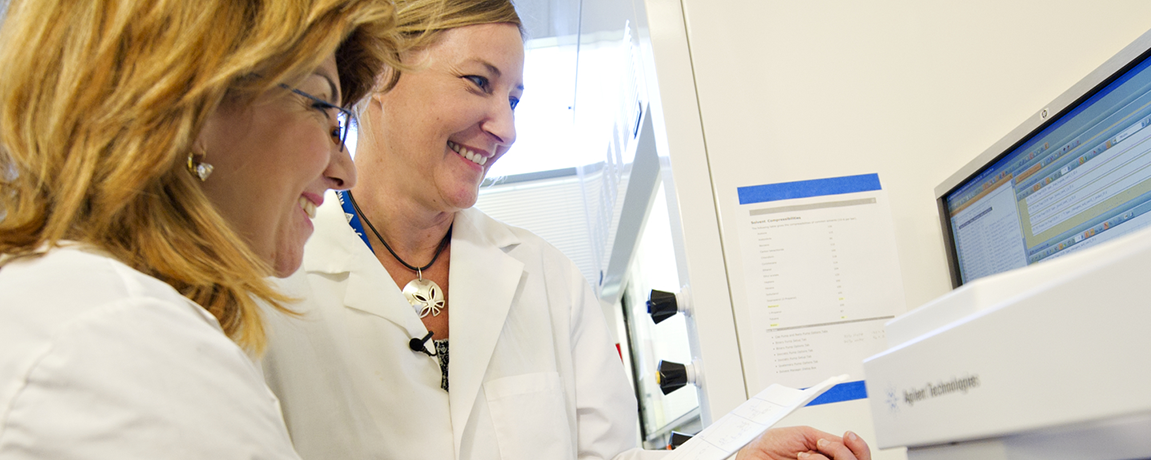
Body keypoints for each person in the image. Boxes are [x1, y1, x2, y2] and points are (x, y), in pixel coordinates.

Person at [255, 1, 874, 459]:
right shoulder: (272, 283)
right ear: (382, 77)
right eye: (479, 82)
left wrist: (734, 459)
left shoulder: (546, 278)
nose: (505, 126)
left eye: (516, 99)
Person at [0, 0, 398, 458]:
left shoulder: (76, 311)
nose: (343, 169)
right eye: (321, 109)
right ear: (193, 102)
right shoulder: (119, 343)